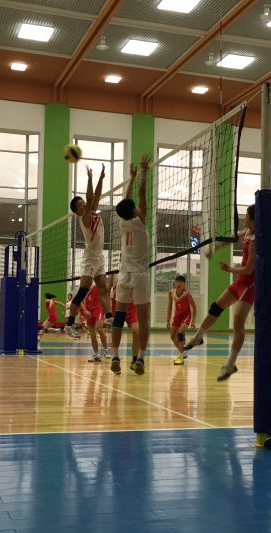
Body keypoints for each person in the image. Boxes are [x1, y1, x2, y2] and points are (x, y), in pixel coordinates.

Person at [184, 205, 257, 381]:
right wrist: (215, 247)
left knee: (238, 323)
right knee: (216, 307)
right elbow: (232, 238)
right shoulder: (247, 231)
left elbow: (248, 269)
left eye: (246, 216)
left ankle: (230, 364)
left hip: (250, 284)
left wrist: (229, 269)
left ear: (253, 219)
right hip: (240, 282)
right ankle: (197, 337)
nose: (244, 218)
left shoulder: (256, 241)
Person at [111, 154, 151, 376]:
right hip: (140, 276)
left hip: (123, 275)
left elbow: (126, 203)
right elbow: (141, 196)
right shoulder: (139, 221)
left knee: (118, 317)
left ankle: (115, 355)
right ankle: (141, 359)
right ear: (134, 210)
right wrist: (142, 173)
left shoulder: (122, 222)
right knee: (144, 320)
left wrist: (130, 179)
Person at [66, 164, 114, 336]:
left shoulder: (92, 210)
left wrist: (101, 178)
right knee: (83, 291)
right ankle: (69, 323)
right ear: (77, 211)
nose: (83, 204)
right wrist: (90, 178)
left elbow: (96, 195)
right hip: (89, 259)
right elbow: (90, 195)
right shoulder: (85, 217)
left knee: (103, 287)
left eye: (83, 203)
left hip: (99, 257)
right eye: (79, 204)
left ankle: (109, 316)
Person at [167, 275, 196, 366]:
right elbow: (169, 307)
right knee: (172, 336)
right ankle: (183, 352)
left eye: (181, 282)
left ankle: (180, 357)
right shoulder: (171, 292)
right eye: (177, 282)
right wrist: (168, 320)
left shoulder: (188, 294)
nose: (179, 284)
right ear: (174, 283)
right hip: (177, 316)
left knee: (180, 333)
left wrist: (193, 321)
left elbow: (194, 308)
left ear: (184, 284)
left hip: (186, 316)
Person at [80, 286, 109, 362]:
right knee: (92, 335)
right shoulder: (84, 288)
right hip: (89, 312)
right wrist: (85, 311)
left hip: (98, 309)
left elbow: (106, 293)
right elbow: (80, 301)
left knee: (99, 328)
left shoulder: (97, 285)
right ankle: (96, 355)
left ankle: (106, 350)